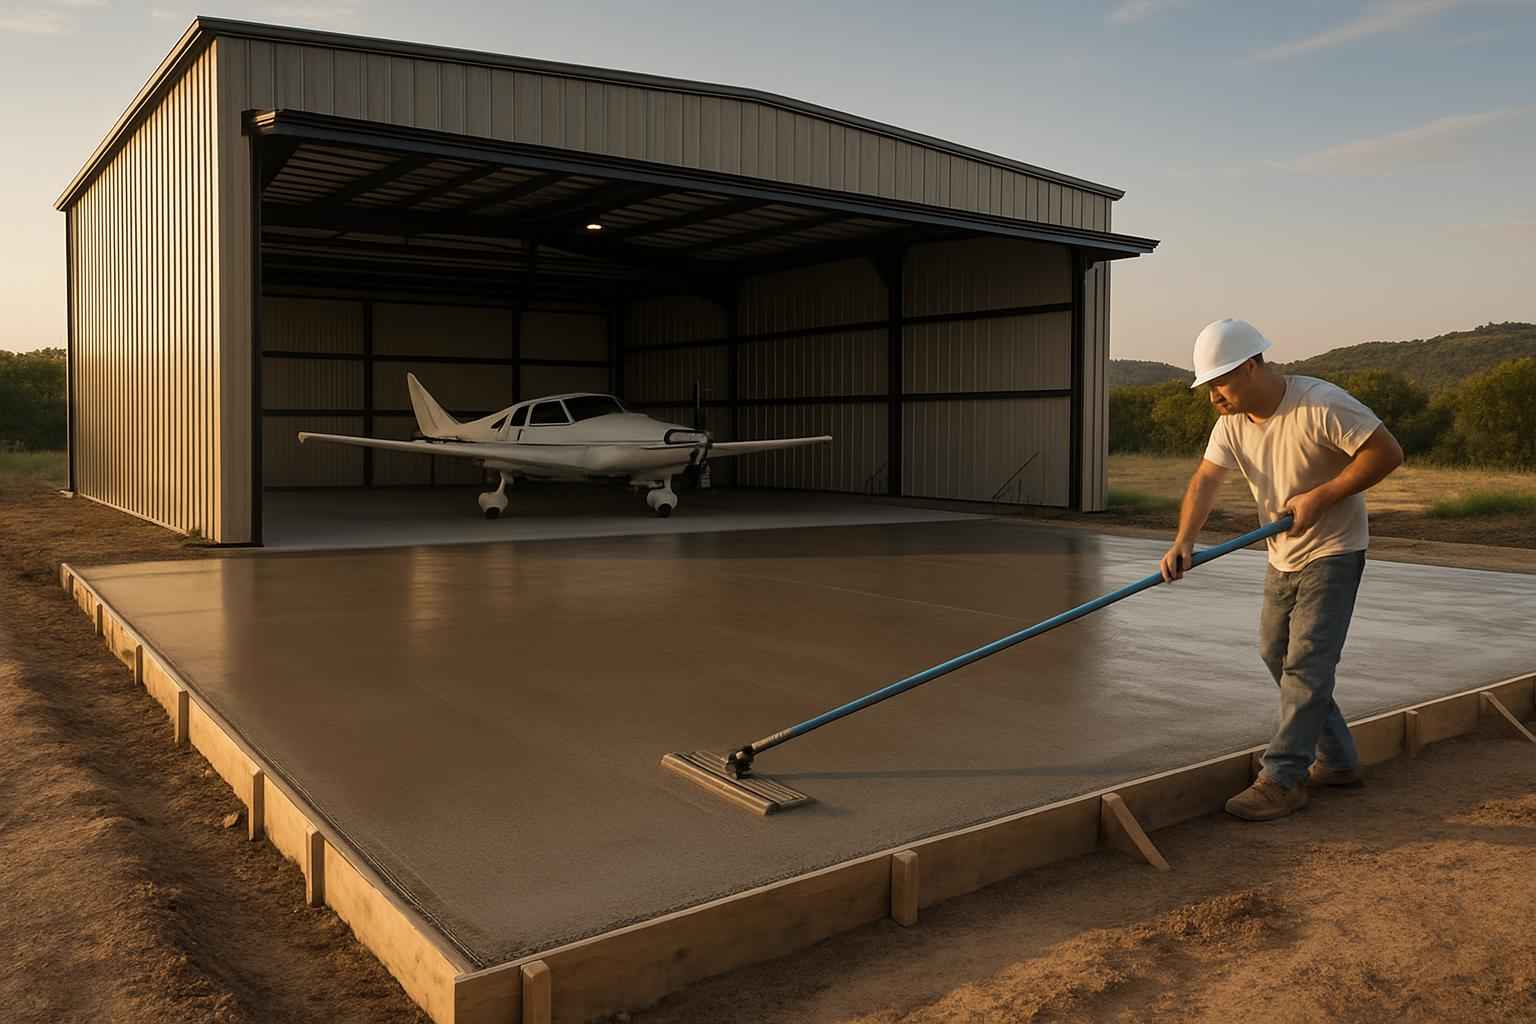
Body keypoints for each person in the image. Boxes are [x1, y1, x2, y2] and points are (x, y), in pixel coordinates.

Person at [1160, 319, 1404, 821]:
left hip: (1334, 549)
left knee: (1307, 664)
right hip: (1282, 552)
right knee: (1276, 654)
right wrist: (1184, 540)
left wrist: (1323, 495)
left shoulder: (1320, 404)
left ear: (1252, 366)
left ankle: (1283, 778)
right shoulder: (1231, 422)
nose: (1213, 398)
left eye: (1220, 383)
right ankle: (1336, 761)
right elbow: (1206, 479)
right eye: (1207, 387)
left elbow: (1386, 453)